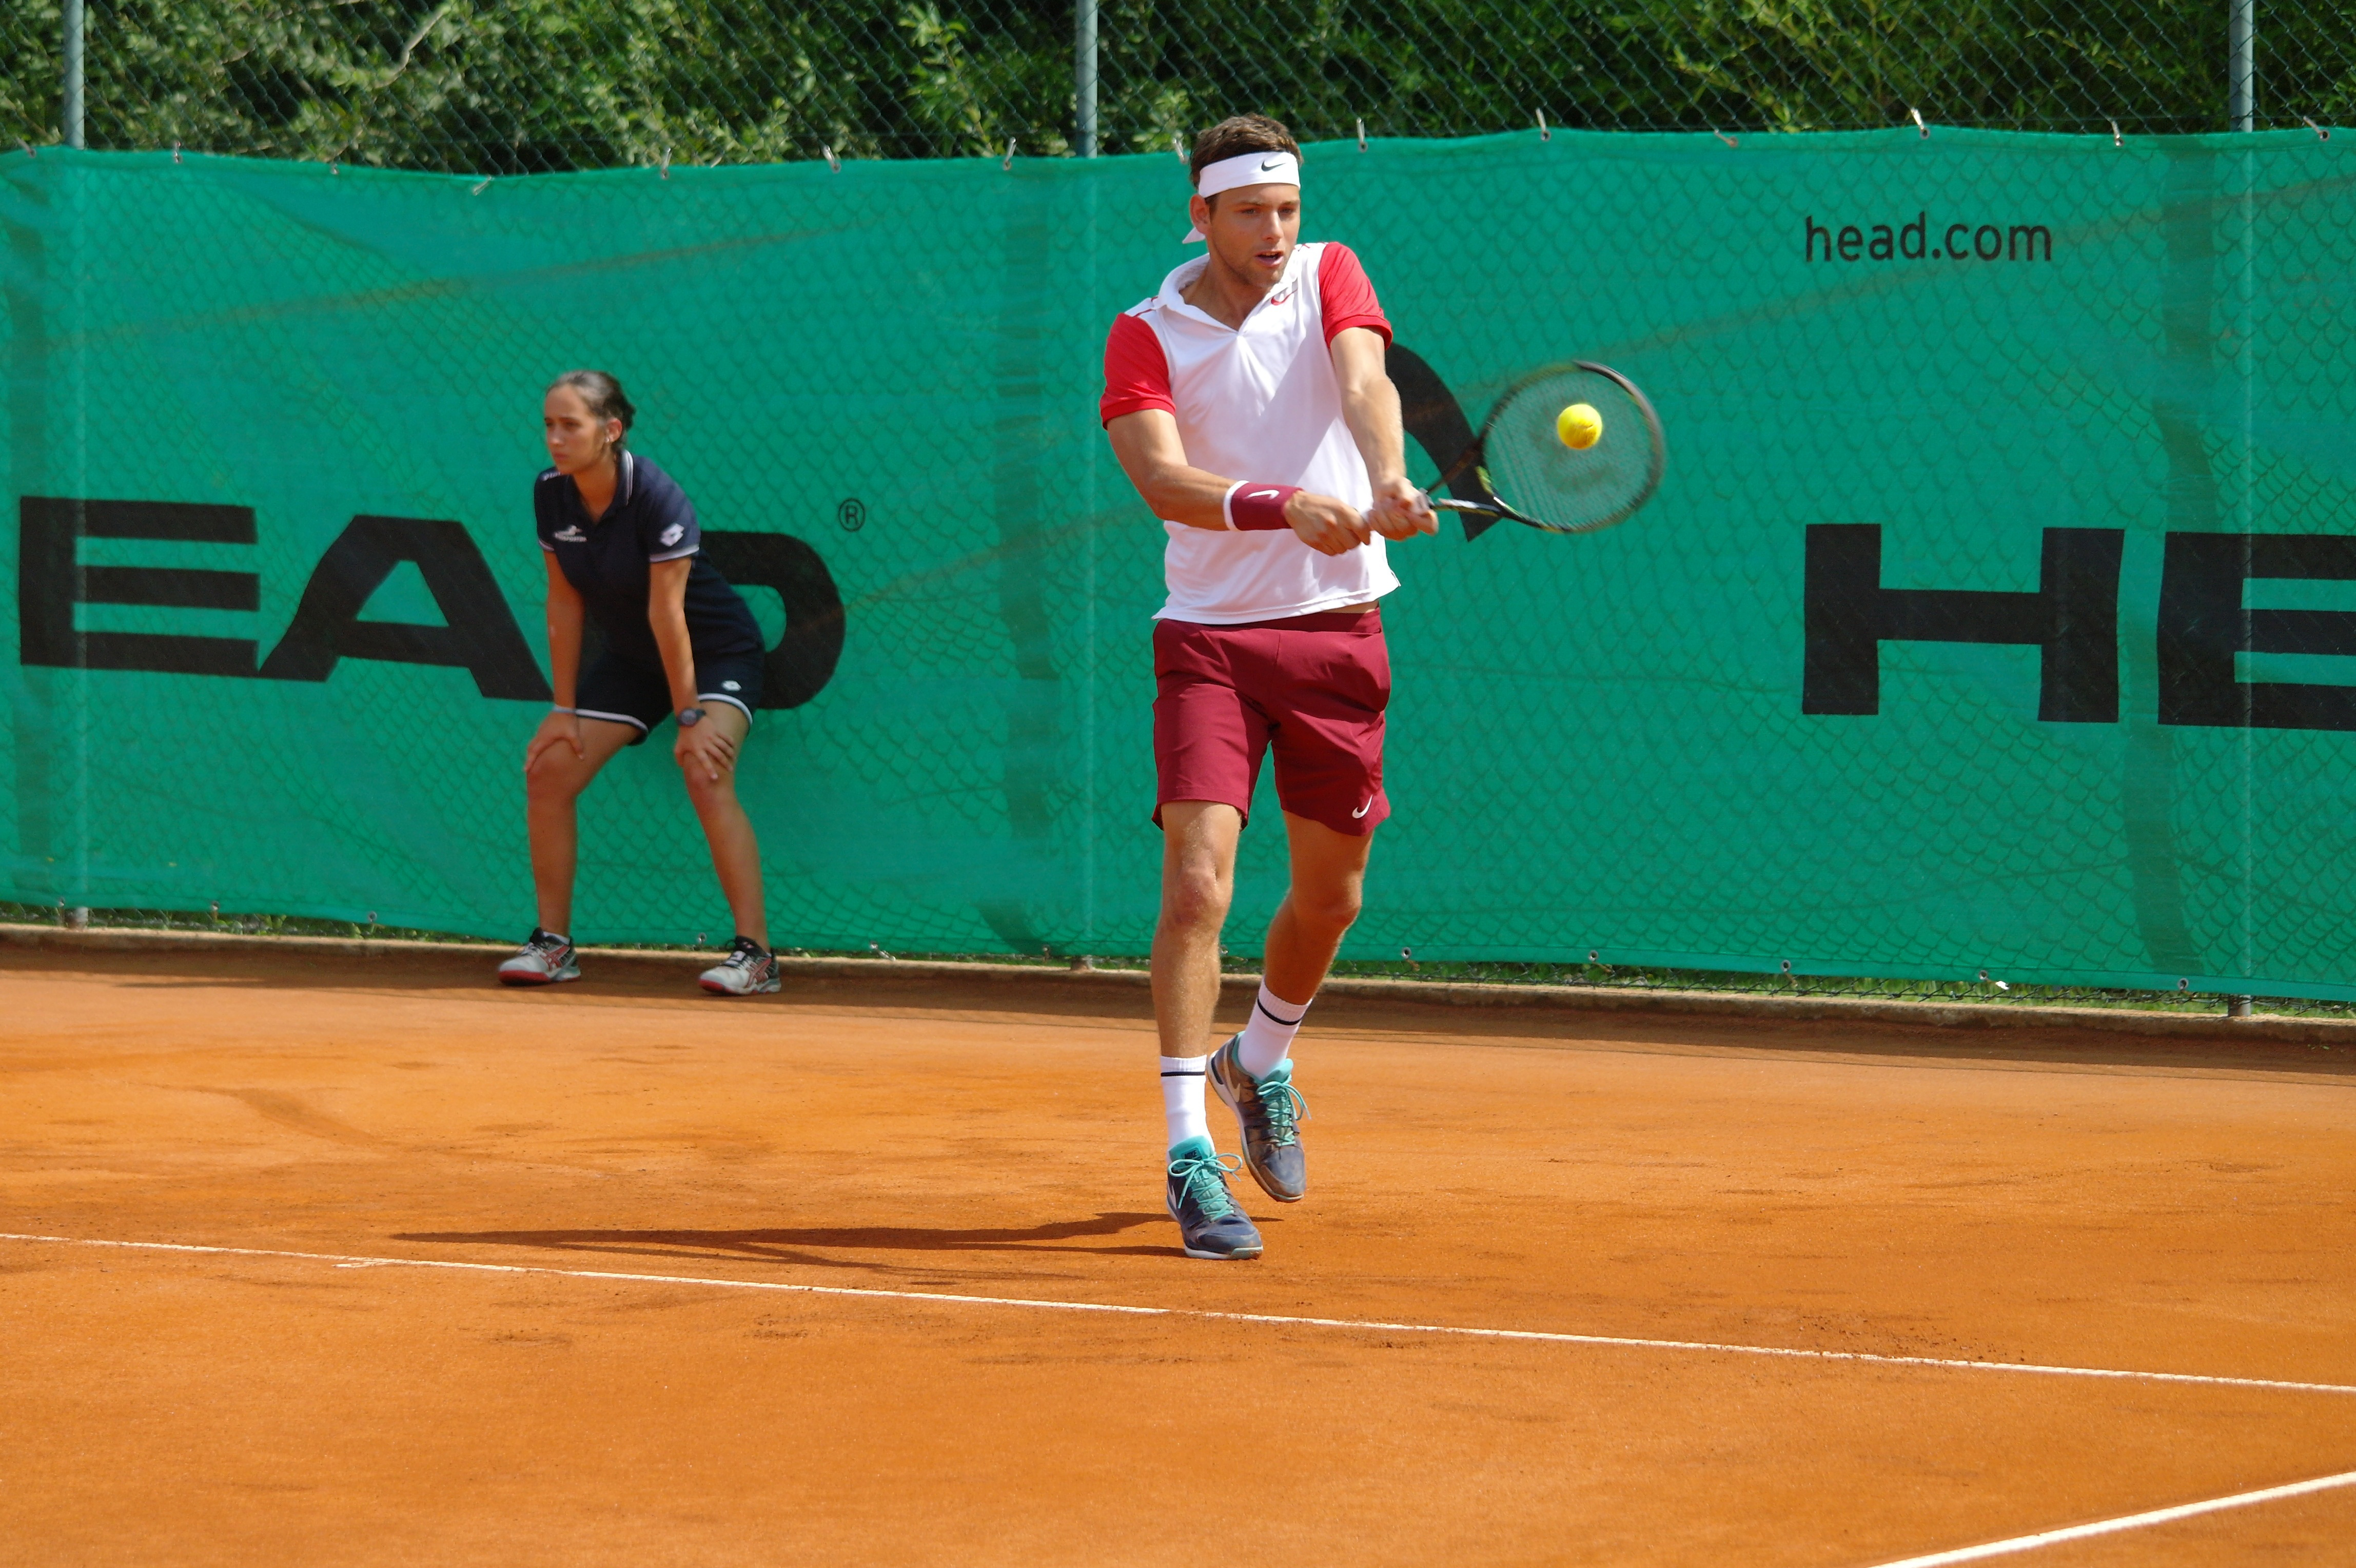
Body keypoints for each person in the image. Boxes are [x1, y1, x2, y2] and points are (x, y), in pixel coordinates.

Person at [1100, 115, 1437, 1260]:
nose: (1276, 233)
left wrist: (1386, 477)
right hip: (1207, 639)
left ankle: (1261, 1060)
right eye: (1250, 212)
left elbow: (1363, 380)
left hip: (1338, 633)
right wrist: (1277, 501)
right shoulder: (1144, 332)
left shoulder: (1330, 272)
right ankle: (1187, 1150)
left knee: (1333, 898)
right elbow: (1159, 475)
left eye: (1287, 209)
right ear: (1199, 215)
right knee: (1198, 885)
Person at [496, 370, 782, 996]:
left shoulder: (655, 495)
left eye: (569, 424)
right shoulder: (551, 493)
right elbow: (564, 601)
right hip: (633, 660)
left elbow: (667, 614)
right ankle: (553, 944)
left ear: (611, 429)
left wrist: (689, 719)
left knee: (706, 771)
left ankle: (756, 956)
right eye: (548, 424)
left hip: (714, 652)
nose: (554, 438)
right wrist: (562, 707)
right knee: (548, 769)